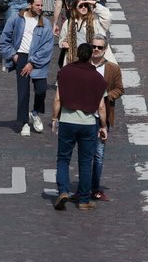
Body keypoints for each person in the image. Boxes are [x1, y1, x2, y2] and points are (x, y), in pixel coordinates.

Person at [51, 43, 108, 211]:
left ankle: (63, 191)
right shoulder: (98, 78)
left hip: (67, 121)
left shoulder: (65, 72)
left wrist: (55, 118)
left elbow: (57, 99)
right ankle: (83, 200)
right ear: (90, 55)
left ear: (77, 54)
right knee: (85, 162)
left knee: (63, 159)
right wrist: (103, 126)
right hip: (88, 124)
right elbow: (102, 107)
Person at [0, 0, 54, 136]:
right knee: (23, 93)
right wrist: (13, 55)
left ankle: (35, 113)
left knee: (41, 89)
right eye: (37, 5)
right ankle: (24, 123)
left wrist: (33, 62)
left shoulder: (45, 23)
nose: (40, 8)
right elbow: (4, 40)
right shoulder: (16, 19)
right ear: (29, 4)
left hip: (37, 60)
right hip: (21, 57)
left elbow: (47, 47)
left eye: (42, 5)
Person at [87, 34, 123, 201]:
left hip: (102, 117)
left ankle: (95, 187)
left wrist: (107, 95)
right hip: (84, 116)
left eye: (99, 47)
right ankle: (84, 187)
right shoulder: (82, 66)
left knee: (99, 154)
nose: (96, 49)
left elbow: (120, 89)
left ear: (105, 49)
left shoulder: (113, 69)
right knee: (85, 154)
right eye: (94, 46)